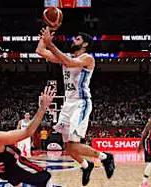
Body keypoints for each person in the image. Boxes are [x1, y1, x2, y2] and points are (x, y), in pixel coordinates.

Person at [36, 27, 115, 186]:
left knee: (74, 144)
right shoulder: (66, 57)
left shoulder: (88, 58)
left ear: (85, 44)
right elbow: (40, 51)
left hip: (81, 103)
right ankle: (86, 165)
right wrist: (45, 37)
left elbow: (70, 62)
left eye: (77, 39)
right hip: (68, 103)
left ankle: (106, 157)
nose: (73, 41)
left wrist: (51, 45)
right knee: (68, 147)